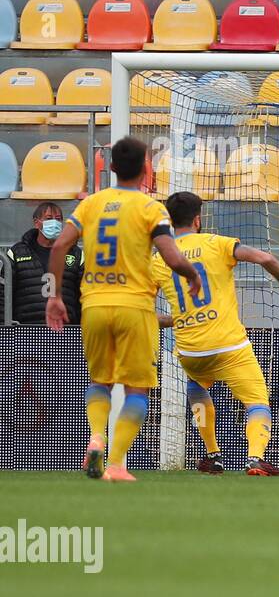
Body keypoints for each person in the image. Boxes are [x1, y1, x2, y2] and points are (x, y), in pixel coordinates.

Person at [45, 137, 201, 482]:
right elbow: (171, 255)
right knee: (136, 389)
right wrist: (191, 274)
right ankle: (115, 464)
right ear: (147, 168)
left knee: (100, 380)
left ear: (111, 167)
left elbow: (59, 246)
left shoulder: (90, 204)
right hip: (135, 307)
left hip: (95, 305)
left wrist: (55, 296)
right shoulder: (150, 209)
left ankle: (96, 436)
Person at [151, 191, 279, 476]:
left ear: (170, 221)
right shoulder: (217, 244)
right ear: (198, 219)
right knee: (256, 401)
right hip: (229, 346)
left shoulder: (159, 260)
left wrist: (176, 319)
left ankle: (212, 455)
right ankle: (255, 458)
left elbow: (145, 315)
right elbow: (264, 258)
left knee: (196, 386)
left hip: (191, 351)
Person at [4, 202, 83, 325]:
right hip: (25, 329)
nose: (55, 223)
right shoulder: (17, 253)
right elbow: (3, 294)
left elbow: (84, 292)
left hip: (66, 328)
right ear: (36, 223)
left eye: (58, 219)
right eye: (49, 218)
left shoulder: (75, 253)